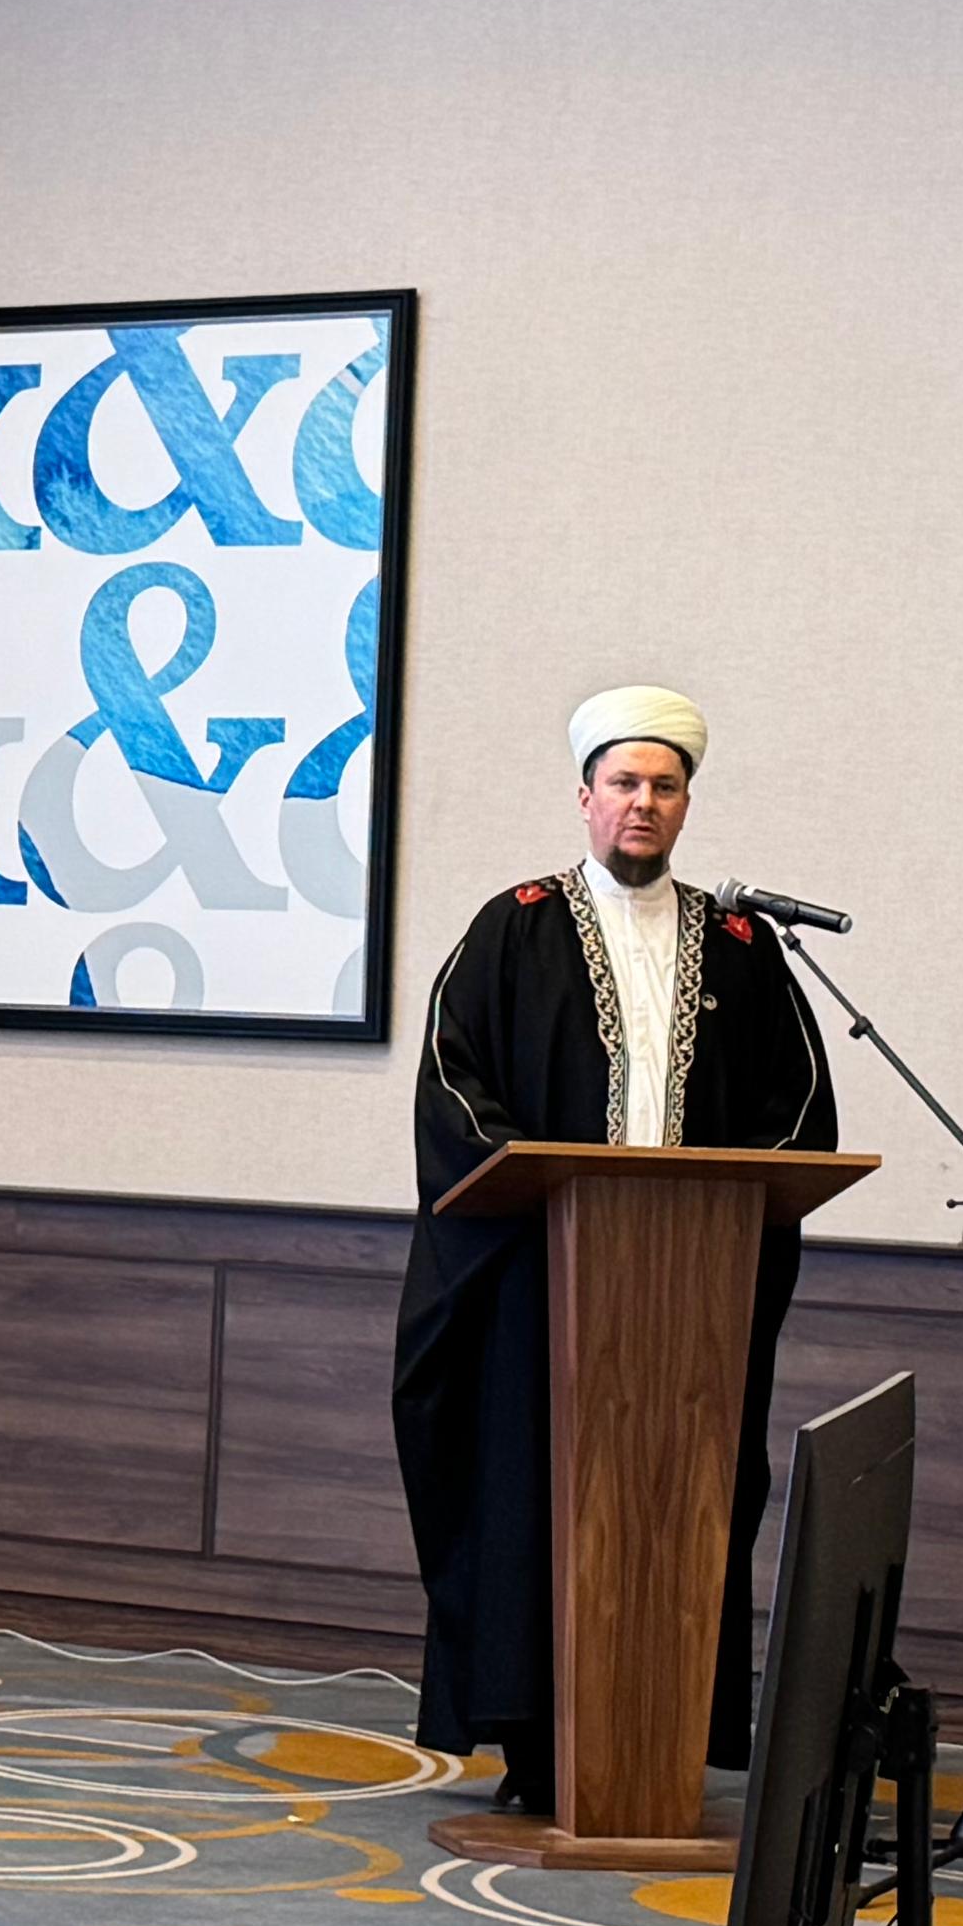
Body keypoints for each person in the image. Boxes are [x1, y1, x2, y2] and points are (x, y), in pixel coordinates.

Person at [391, 687, 837, 1820]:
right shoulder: (515, 927)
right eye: (624, 784)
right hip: (539, 1282)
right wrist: (541, 1190)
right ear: (583, 797)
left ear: (687, 803)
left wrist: (716, 1206)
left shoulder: (743, 949)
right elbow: (452, 1085)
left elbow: (797, 1109)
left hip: (694, 1290)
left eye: (664, 786)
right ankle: (537, 1743)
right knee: (535, 1503)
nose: (643, 803)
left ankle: (663, 1736)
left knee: (686, 1503)